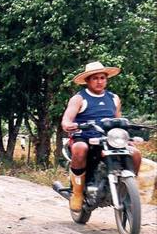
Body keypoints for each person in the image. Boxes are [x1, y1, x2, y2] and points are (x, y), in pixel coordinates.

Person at [60, 61, 142, 211]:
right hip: (85, 136)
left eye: (102, 78)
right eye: (95, 78)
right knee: (80, 148)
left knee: (135, 154)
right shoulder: (79, 98)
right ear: (87, 81)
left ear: (106, 79)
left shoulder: (113, 98)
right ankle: (77, 193)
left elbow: (118, 120)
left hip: (108, 138)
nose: (99, 81)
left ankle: (127, 188)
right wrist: (68, 125)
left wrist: (127, 137)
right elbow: (66, 120)